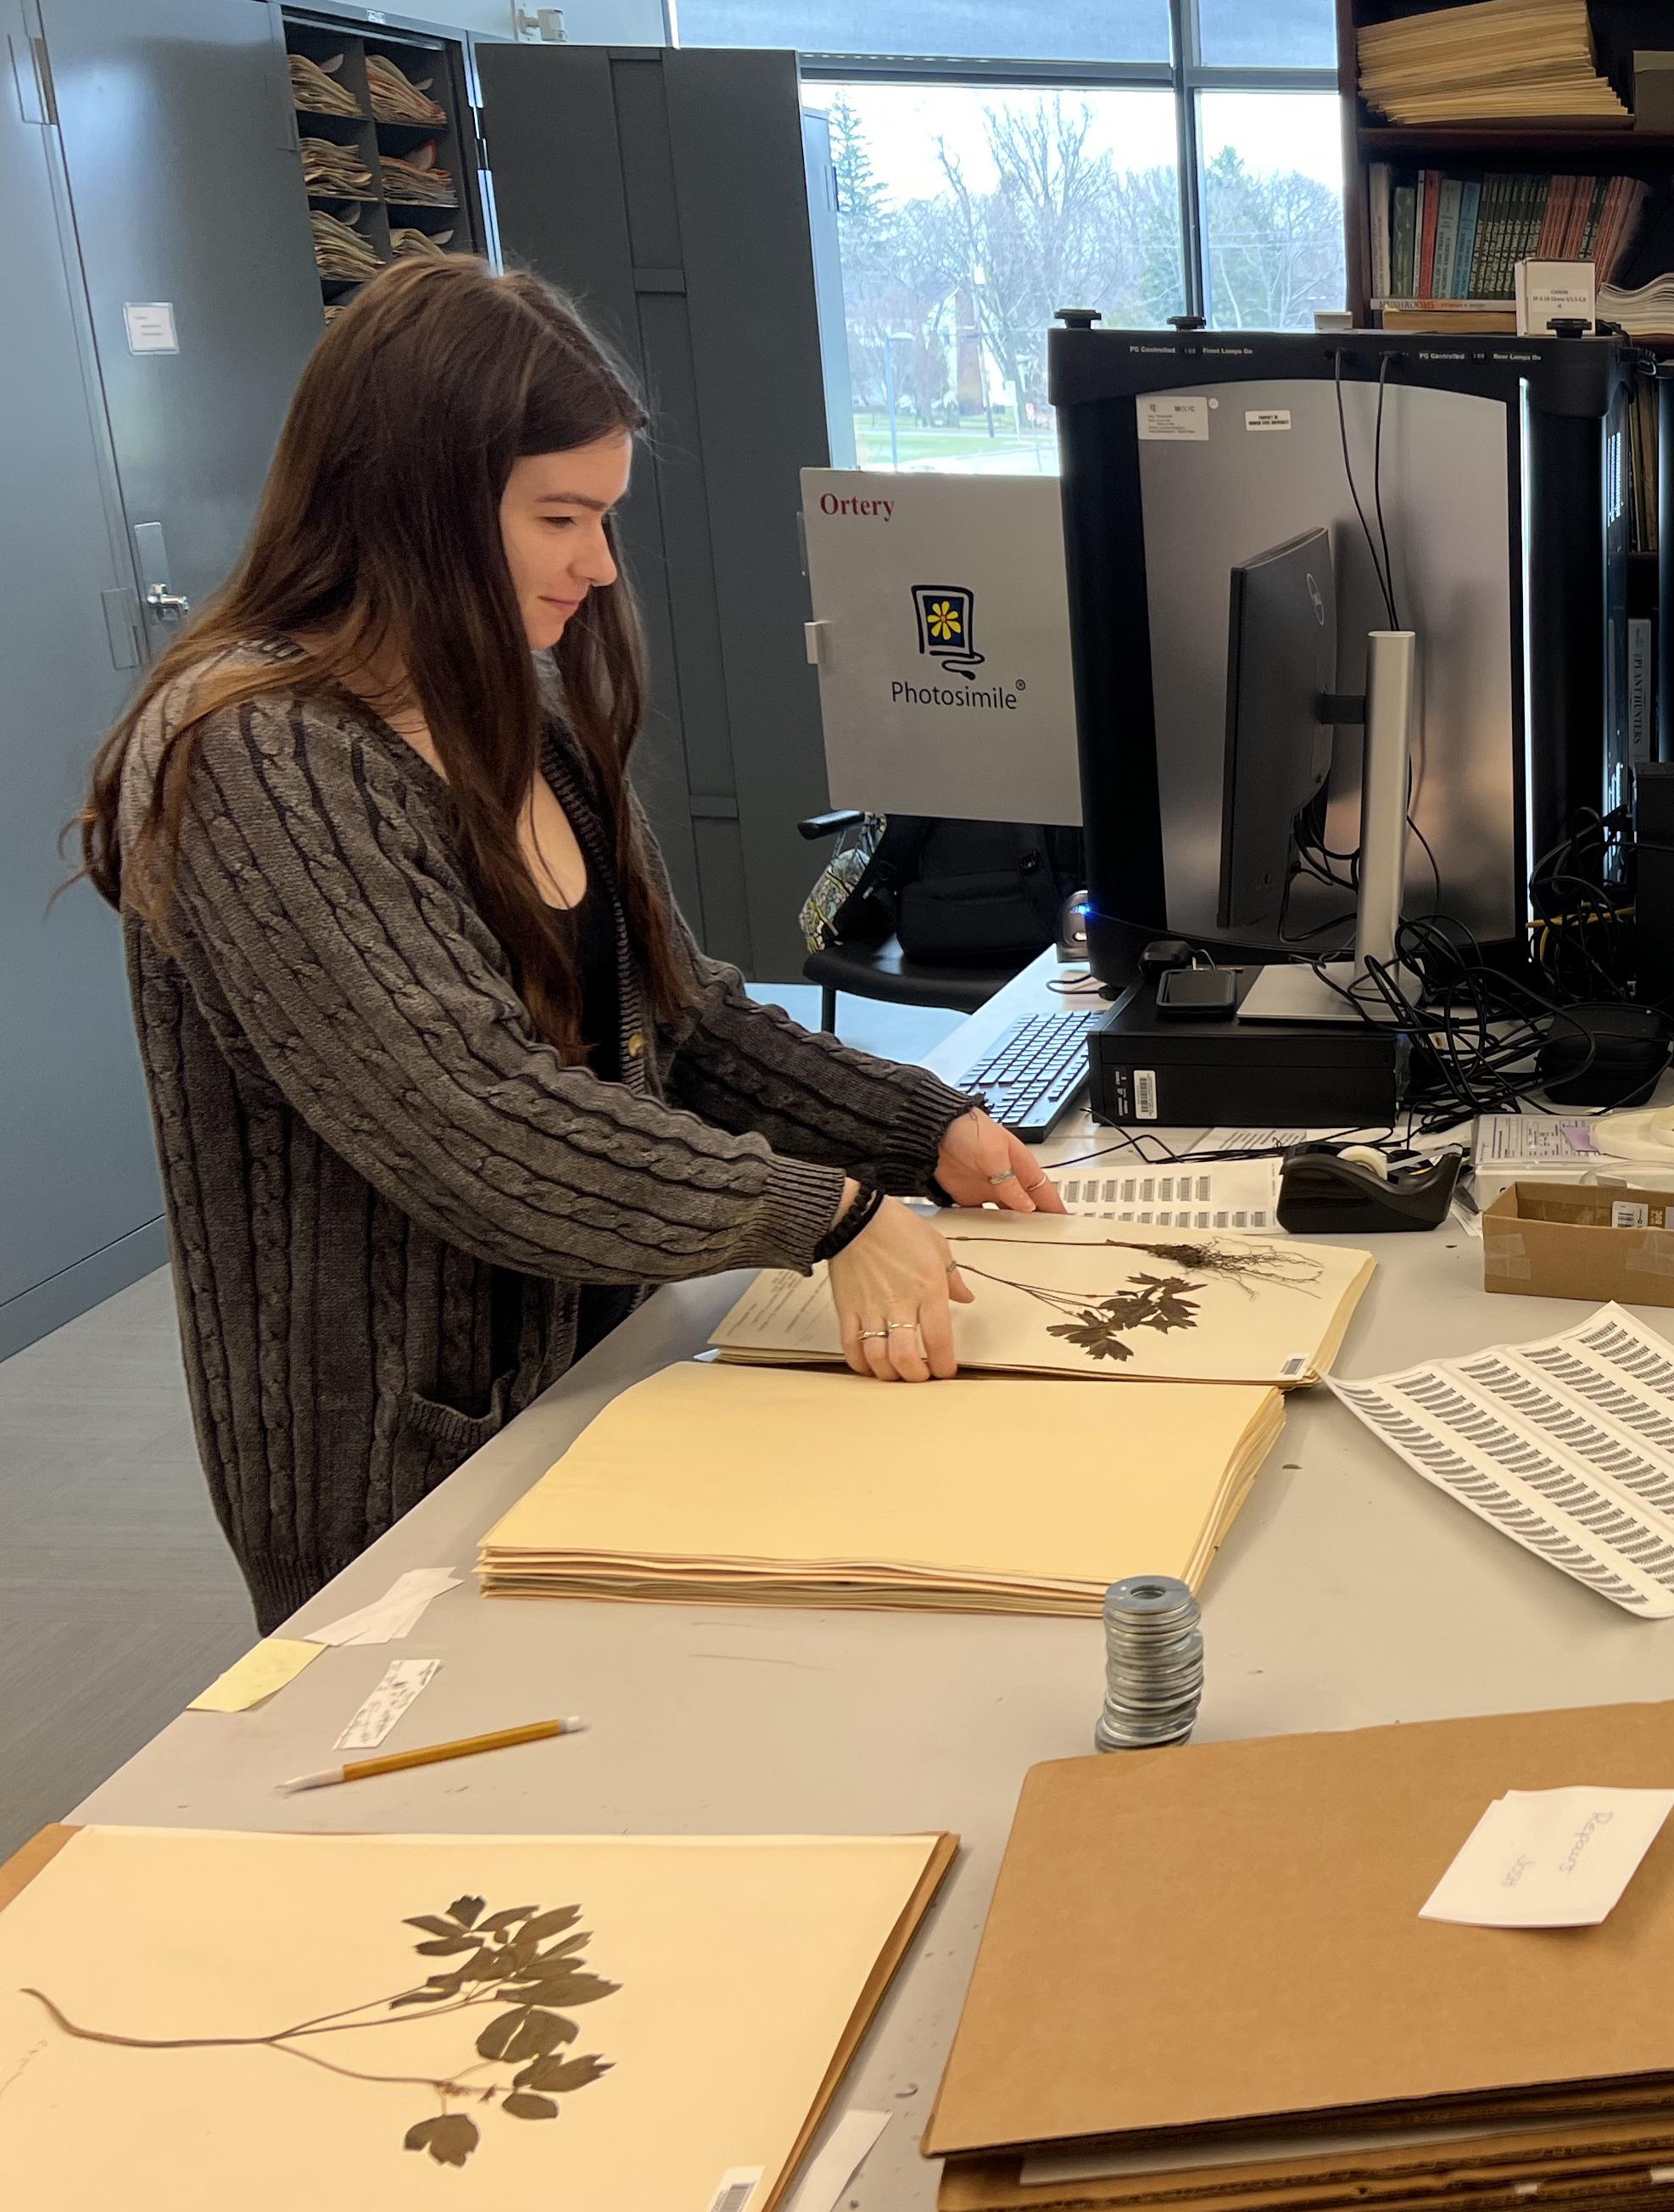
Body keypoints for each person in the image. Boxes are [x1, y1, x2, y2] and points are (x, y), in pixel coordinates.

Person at [73, 257, 1064, 1633]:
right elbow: (476, 1122)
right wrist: (823, 1216)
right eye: (561, 517)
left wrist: (924, 1125)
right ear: (412, 503)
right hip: (400, 1471)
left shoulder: (507, 707)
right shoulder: (257, 756)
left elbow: (685, 1023)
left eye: (603, 519)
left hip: (599, 1379)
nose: (597, 567)